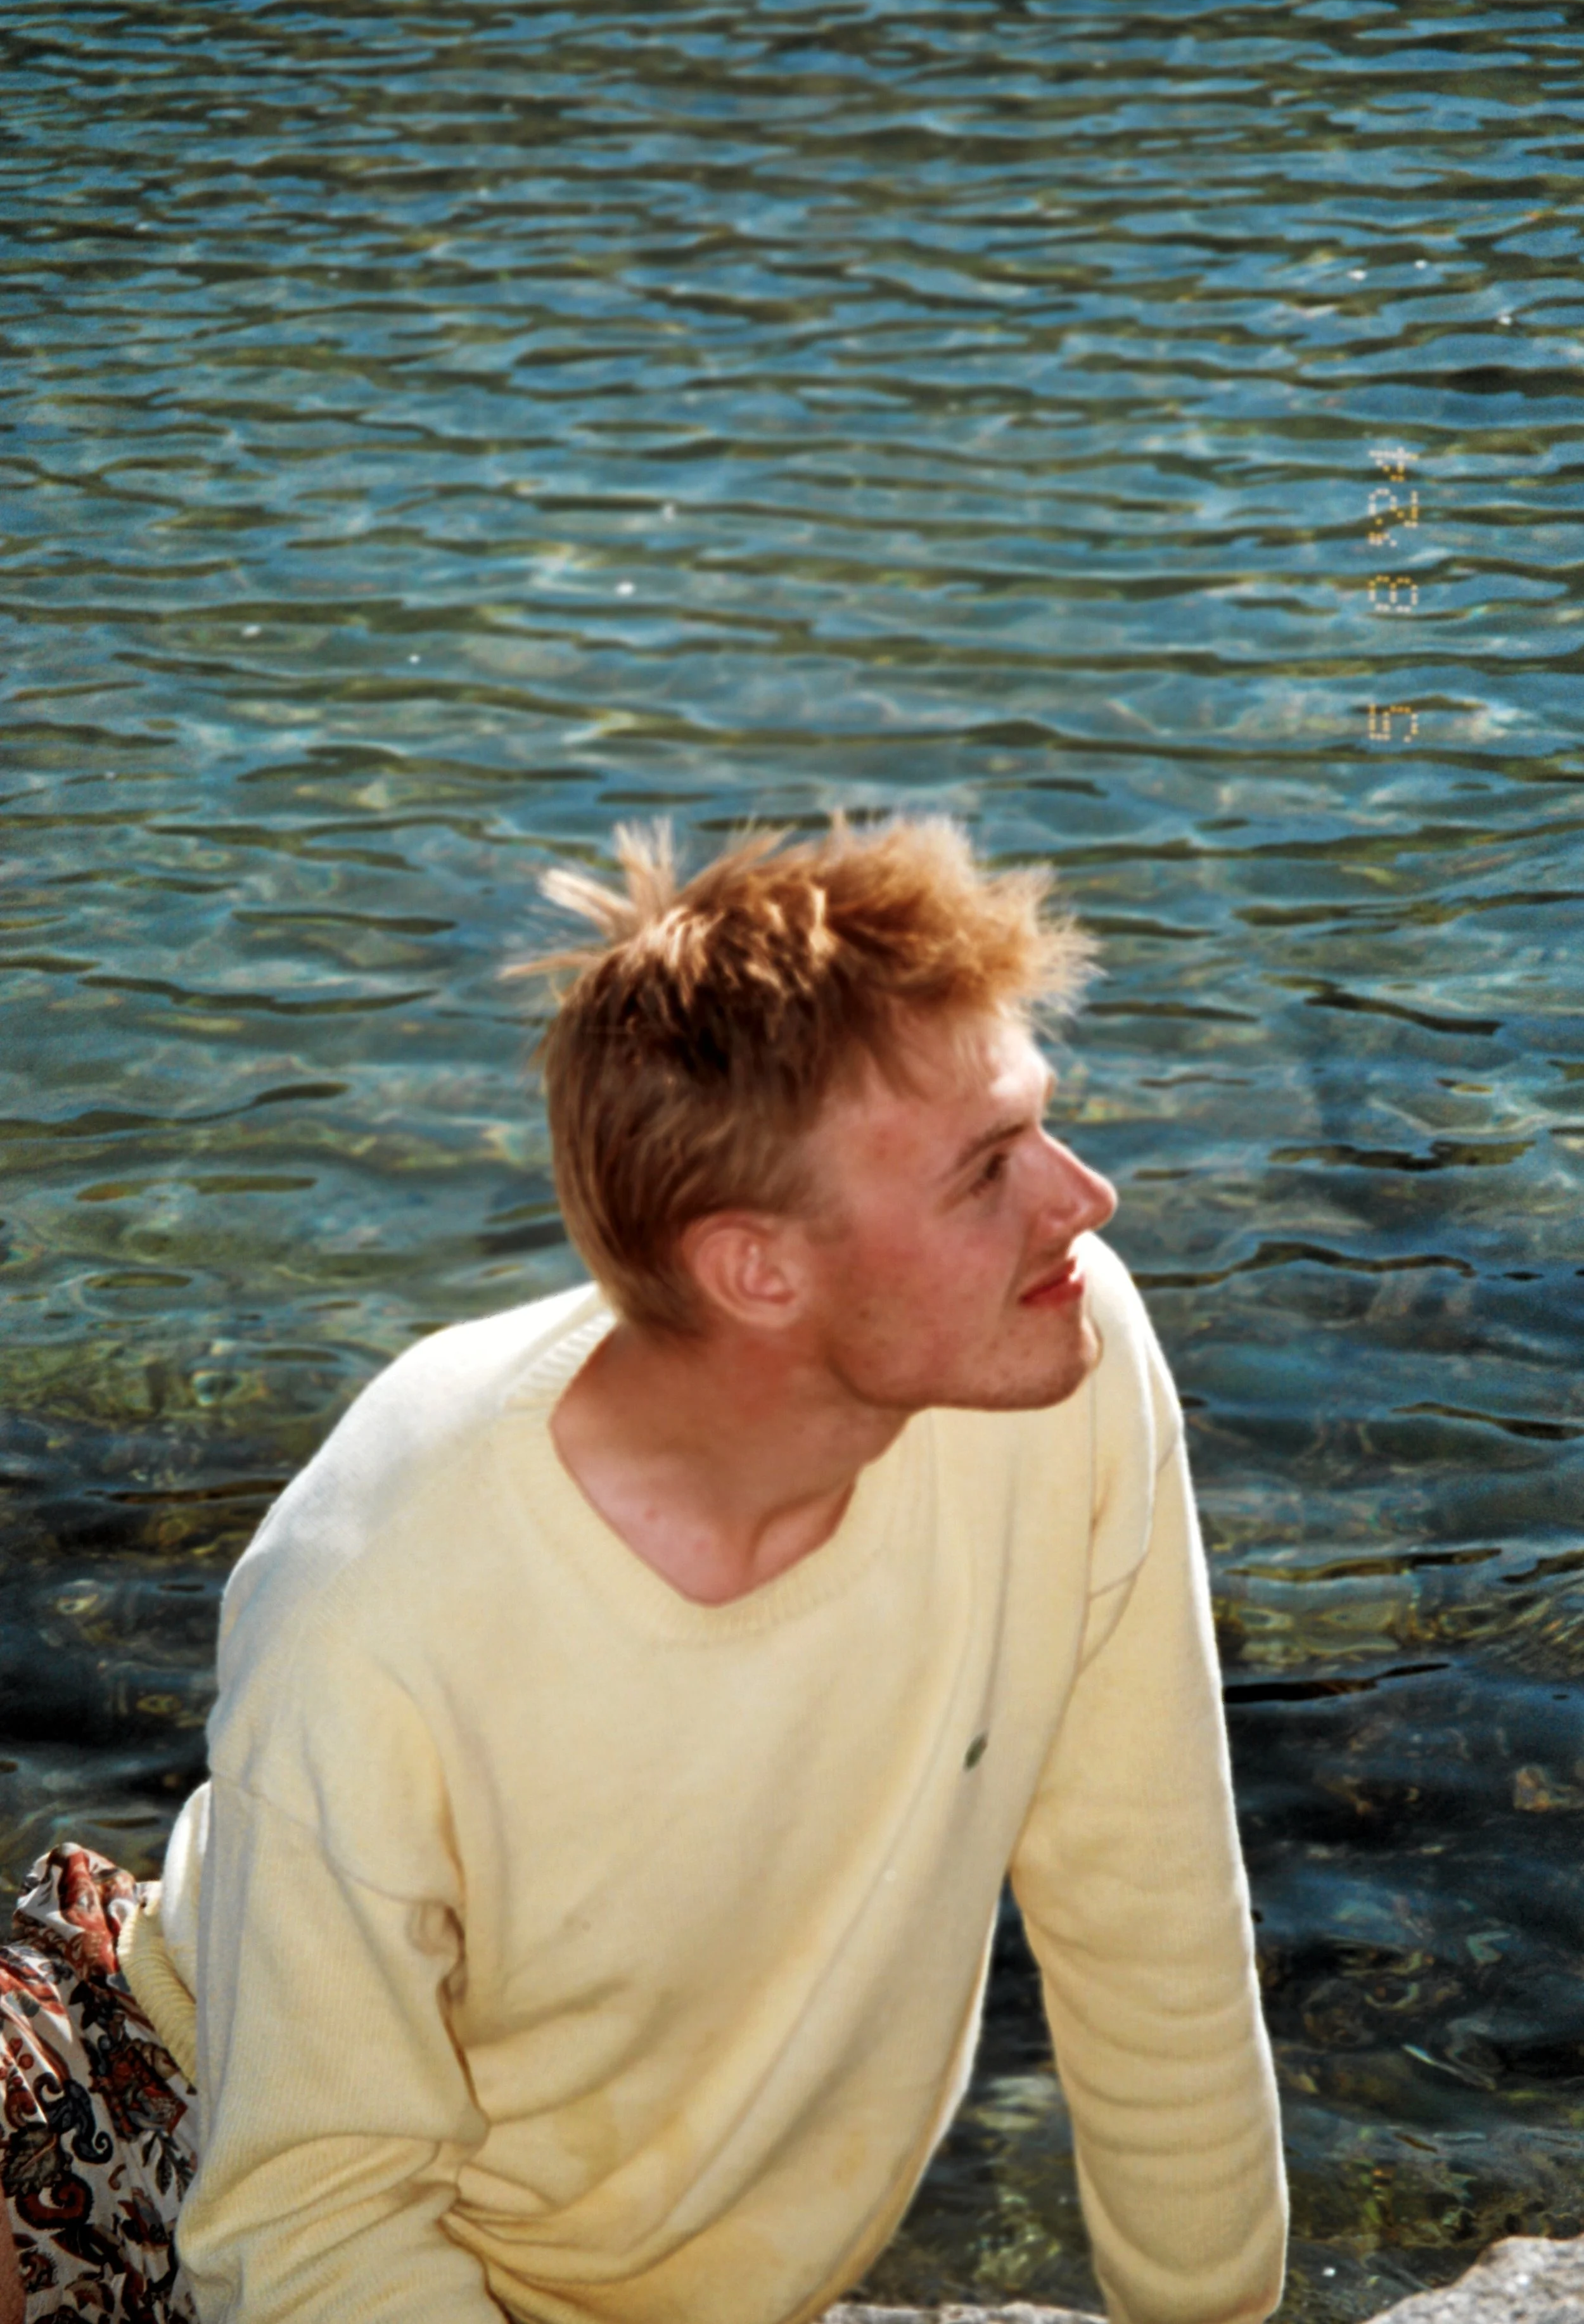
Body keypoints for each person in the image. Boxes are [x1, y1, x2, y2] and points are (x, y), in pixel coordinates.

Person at [1, 816, 1286, 2324]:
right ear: (754, 1268)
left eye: (1040, 1122)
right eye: (987, 1167)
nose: (1081, 1199)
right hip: (156, 2108)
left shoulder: (1062, 1361)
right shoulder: (383, 1591)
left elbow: (1150, 1924)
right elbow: (313, 2217)